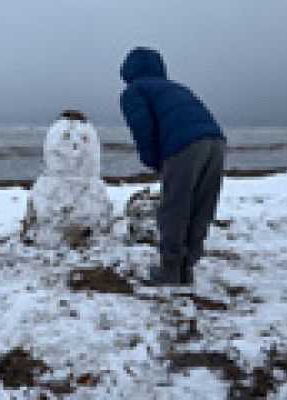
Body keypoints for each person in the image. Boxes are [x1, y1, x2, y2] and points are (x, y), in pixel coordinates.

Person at [119, 47, 226, 286]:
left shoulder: (134, 91)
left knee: (175, 207)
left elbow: (143, 128)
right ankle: (187, 268)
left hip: (184, 145)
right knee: (201, 207)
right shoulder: (177, 87)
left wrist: (154, 161)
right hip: (216, 142)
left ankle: (169, 270)